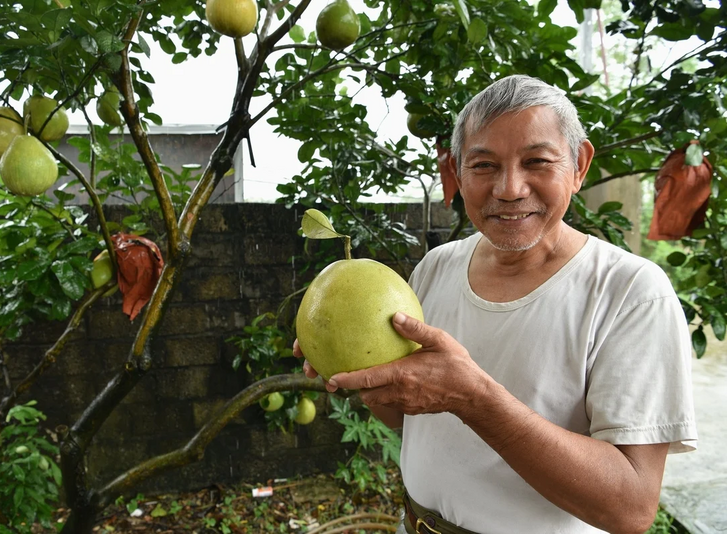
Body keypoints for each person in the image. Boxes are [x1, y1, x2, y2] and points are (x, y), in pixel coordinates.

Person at [294, 74, 697, 534]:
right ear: (457, 173)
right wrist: (355, 371)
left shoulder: (630, 293)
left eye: (537, 161)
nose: (509, 188)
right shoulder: (434, 269)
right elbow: (413, 424)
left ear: (579, 164)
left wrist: (475, 399)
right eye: (484, 166)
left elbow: (630, 508)